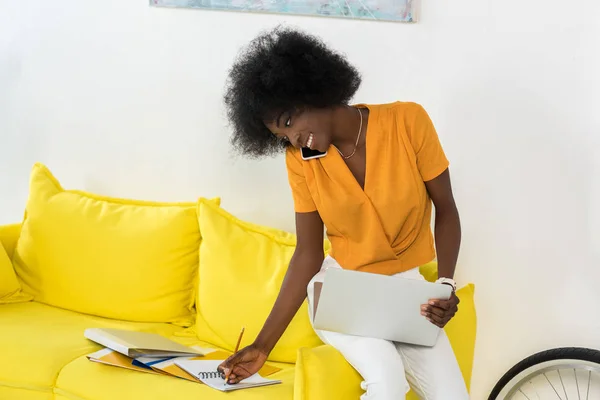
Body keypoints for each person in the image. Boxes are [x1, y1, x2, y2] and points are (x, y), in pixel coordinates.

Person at [217, 26, 469, 400]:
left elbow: (446, 210)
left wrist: (445, 286)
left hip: (407, 293)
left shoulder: (408, 122)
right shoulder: (300, 162)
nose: (291, 140)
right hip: (341, 295)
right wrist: (262, 346)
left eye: (289, 123)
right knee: (386, 382)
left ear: (313, 91)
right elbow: (307, 254)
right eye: (281, 136)